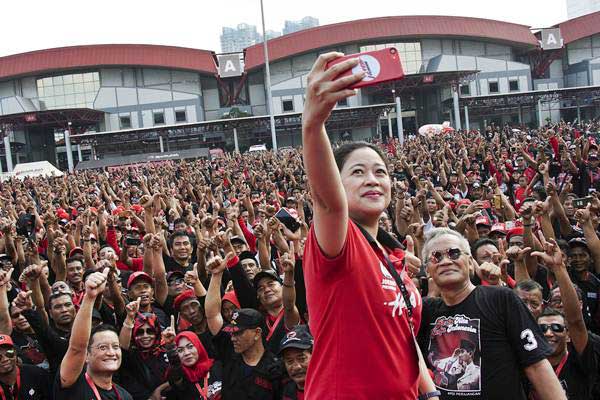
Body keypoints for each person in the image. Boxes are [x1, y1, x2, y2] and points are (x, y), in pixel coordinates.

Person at [301, 52, 438, 399]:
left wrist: (430, 390)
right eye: (357, 172)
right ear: (337, 181)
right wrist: (313, 124)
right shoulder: (339, 243)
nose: (372, 180)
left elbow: (400, 336)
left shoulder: (393, 255)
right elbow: (328, 202)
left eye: (380, 172)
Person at [419, 228, 566, 400]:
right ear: (427, 269)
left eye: (453, 253)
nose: (445, 261)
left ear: (469, 261)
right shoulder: (424, 310)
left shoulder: (501, 299)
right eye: (436, 256)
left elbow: (536, 365)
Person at [532, 235, 598, 399]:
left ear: (568, 335)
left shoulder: (580, 358)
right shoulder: (528, 362)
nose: (548, 333)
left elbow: (575, 322)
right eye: (542, 329)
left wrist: (558, 267)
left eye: (556, 328)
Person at [54, 266, 133, 400]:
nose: (111, 353)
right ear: (87, 356)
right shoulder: (73, 382)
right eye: (103, 347)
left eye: (115, 347)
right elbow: (77, 348)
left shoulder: (125, 396)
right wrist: (89, 297)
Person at [164, 331, 215, 400]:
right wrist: (171, 347)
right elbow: (175, 370)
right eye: (180, 350)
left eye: (190, 346)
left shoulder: (218, 367)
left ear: (198, 346)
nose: (186, 353)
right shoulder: (180, 377)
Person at [278, 325, 313, 400]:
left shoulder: (329, 389)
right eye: (290, 361)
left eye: (301, 359)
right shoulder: (285, 390)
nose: (296, 367)